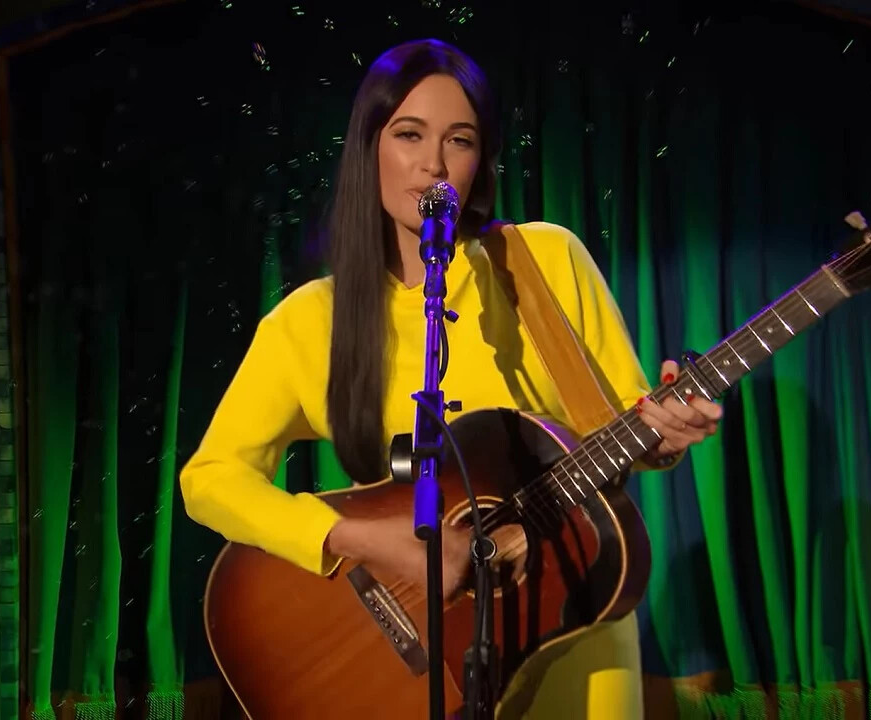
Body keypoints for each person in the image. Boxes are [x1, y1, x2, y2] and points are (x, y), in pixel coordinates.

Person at [180, 38, 722, 719]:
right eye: (409, 134)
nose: (433, 163)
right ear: (369, 149)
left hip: (568, 624)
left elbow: (623, 419)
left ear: (480, 162)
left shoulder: (546, 260)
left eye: (459, 141)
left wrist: (663, 435)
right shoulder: (311, 321)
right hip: (406, 664)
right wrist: (354, 537)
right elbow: (210, 480)